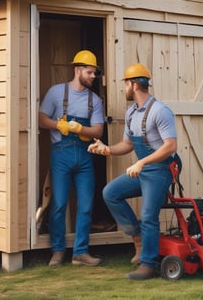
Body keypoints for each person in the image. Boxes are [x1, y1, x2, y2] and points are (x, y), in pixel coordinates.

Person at [88, 63, 177, 280]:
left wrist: (141, 163)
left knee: (148, 215)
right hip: (144, 170)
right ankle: (137, 239)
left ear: (134, 84)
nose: (124, 88)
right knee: (110, 193)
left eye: (126, 84)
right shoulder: (131, 113)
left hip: (160, 170)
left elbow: (170, 146)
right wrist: (106, 149)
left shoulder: (160, 111)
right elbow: (127, 145)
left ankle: (149, 265)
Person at [39, 50, 105, 267]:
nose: (93, 76)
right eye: (90, 72)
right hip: (61, 154)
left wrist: (79, 128)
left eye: (94, 73)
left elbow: (98, 130)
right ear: (77, 70)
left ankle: (80, 253)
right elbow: (41, 119)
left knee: (85, 206)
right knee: (58, 204)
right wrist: (59, 125)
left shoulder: (94, 100)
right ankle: (57, 252)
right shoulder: (56, 93)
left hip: (85, 157)